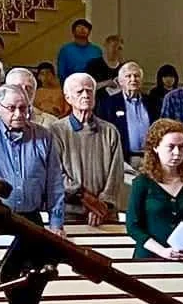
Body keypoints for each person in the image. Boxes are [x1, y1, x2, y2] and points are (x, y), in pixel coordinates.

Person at [0, 83, 65, 240]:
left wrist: (56, 224)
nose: (18, 114)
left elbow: (54, 184)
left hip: (32, 220)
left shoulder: (44, 136)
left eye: (23, 108)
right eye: (11, 108)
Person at [47, 72, 125, 224]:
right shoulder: (56, 130)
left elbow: (116, 173)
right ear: (68, 98)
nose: (86, 95)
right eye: (80, 91)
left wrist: (102, 205)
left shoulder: (110, 131)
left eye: (89, 91)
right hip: (70, 213)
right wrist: (86, 199)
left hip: (105, 213)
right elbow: (55, 173)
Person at [125, 122, 183, 259]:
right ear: (156, 147)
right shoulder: (142, 182)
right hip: (149, 258)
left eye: (181, 147)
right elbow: (133, 227)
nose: (177, 153)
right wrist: (161, 251)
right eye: (171, 147)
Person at [99, 60, 153, 156]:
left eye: (136, 76)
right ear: (120, 81)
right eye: (128, 76)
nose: (133, 79)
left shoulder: (152, 101)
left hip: (150, 157)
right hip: (123, 158)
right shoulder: (110, 103)